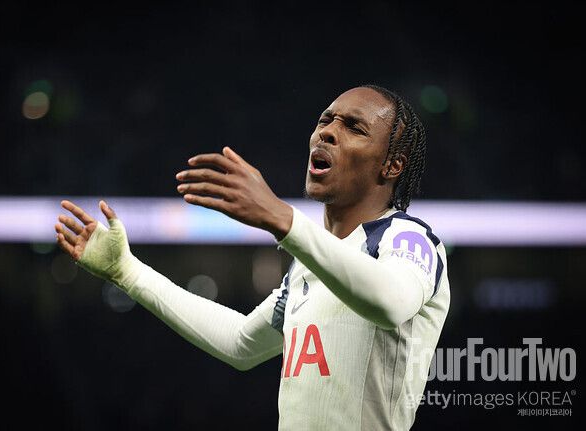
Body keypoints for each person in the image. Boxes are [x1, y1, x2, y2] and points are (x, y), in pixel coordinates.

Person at [54, 85, 450, 430]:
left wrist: (283, 219)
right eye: (325, 120)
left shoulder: (407, 238)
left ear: (392, 165)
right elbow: (241, 343)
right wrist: (127, 272)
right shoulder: (307, 265)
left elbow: (389, 303)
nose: (327, 132)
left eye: (354, 127)